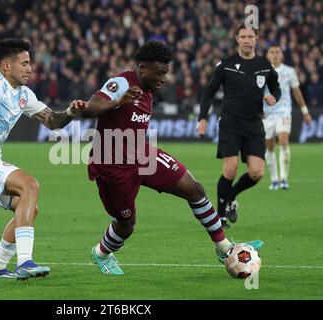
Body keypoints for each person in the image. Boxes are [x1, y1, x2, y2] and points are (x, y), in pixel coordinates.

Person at [80, 40, 263, 275]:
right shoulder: (122, 83)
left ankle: (224, 248)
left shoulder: (148, 88)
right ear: (143, 68)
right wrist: (119, 101)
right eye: (159, 73)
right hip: (112, 167)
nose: (164, 78)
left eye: (166, 73)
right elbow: (89, 109)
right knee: (126, 226)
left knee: (194, 189)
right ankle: (101, 253)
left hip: (142, 154)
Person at [0, 38, 87, 280]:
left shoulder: (23, 94)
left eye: (30, 63)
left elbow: (52, 121)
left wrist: (72, 112)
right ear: (6, 66)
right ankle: (25, 262)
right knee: (29, 184)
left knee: (29, 208)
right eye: (24, 63)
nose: (30, 68)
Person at [197, 26, 281, 228]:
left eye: (250, 36)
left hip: (254, 124)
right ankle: (220, 216)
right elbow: (209, 92)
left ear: (256, 39)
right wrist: (202, 118)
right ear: (236, 39)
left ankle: (232, 197)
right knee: (231, 169)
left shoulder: (264, 65)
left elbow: (276, 88)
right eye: (242, 36)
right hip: (230, 123)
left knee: (257, 173)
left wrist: (273, 98)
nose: (246, 40)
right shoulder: (225, 65)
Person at [263, 44, 313, 190]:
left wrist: (305, 112)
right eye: (271, 52)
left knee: (283, 142)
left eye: (277, 52)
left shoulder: (289, 71)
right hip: (267, 114)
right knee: (269, 146)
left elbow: (297, 92)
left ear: (282, 55)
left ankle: (284, 178)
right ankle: (274, 180)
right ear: (268, 55)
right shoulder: (262, 71)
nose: (275, 55)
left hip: (284, 112)